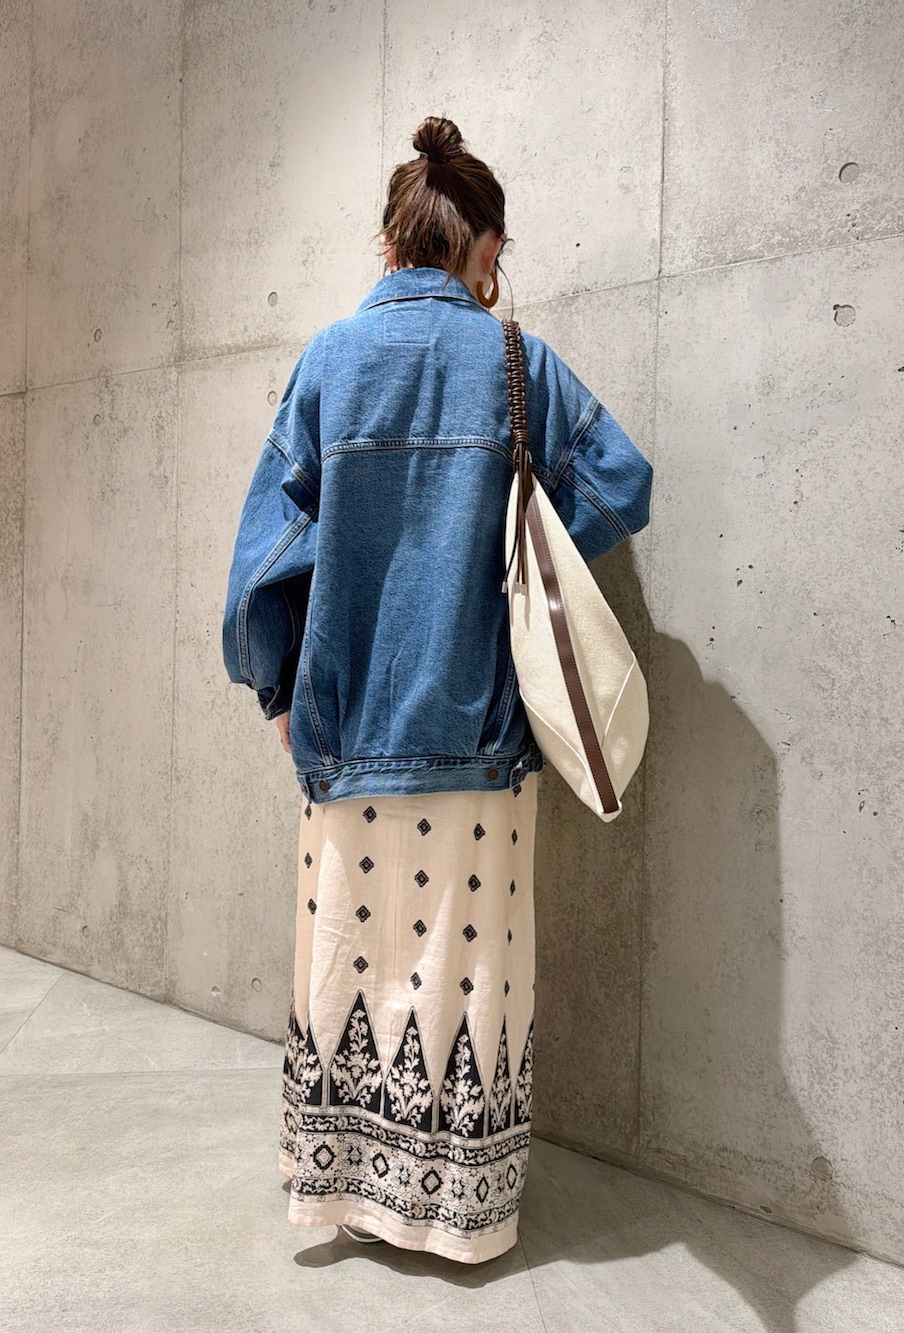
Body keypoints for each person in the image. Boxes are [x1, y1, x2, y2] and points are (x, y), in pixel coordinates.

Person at [221, 116, 653, 1264]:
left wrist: (277, 692)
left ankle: (351, 1195)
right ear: (486, 247)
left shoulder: (328, 362)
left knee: (348, 964)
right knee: (467, 979)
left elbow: (264, 561)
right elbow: (623, 481)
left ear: (388, 239)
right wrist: (519, 542)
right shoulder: (518, 364)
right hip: (478, 737)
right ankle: (460, 1216)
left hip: (350, 731)